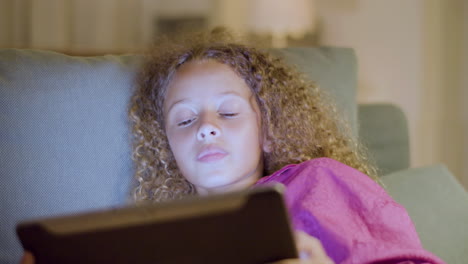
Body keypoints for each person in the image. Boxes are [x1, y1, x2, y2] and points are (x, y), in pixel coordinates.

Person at [20, 30, 445, 264]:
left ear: (268, 129)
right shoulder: (154, 237)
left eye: (227, 112)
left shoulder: (321, 180)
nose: (205, 128)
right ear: (168, 147)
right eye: (184, 120)